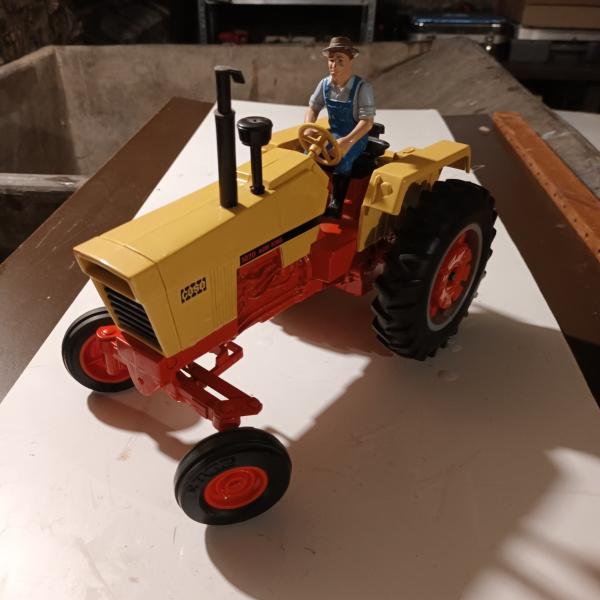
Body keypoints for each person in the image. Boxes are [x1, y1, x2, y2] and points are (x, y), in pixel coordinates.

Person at [305, 36, 376, 217]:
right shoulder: (324, 84)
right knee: (309, 155)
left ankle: (336, 203)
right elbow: (313, 107)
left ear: (350, 61)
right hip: (334, 133)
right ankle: (310, 196)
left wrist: (348, 141)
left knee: (343, 160)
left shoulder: (362, 88)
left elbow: (367, 122)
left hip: (356, 136)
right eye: (331, 60)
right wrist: (309, 125)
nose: (333, 65)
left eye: (340, 60)